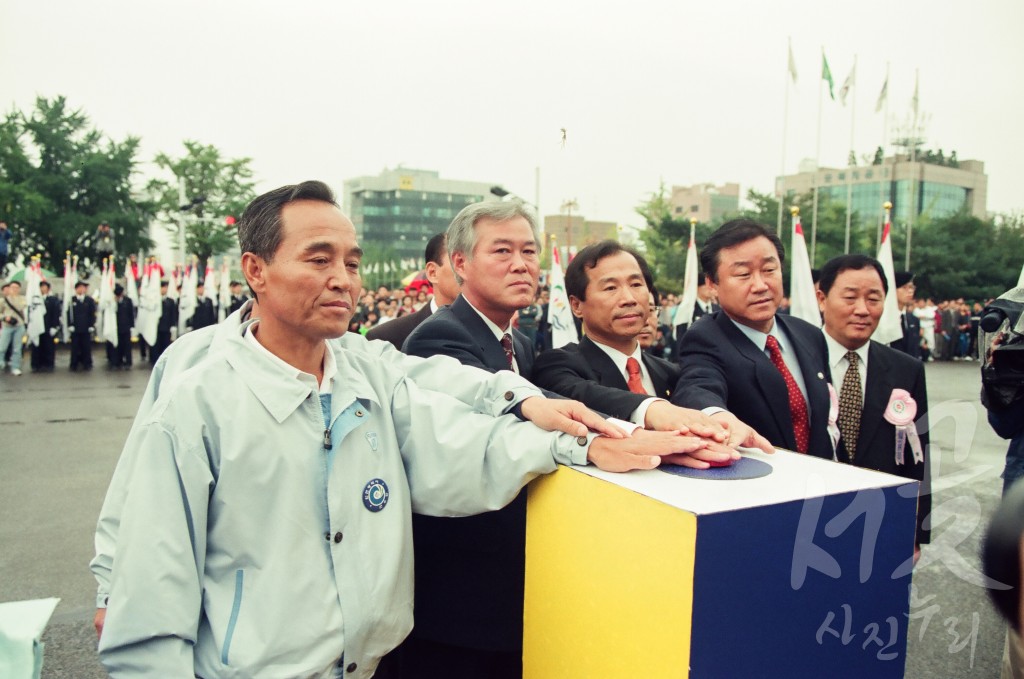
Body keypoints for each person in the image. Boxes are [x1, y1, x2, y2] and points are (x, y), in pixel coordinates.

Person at [97, 181, 687, 678]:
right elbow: (150, 575)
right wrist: (109, 592)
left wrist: (577, 441)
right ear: (256, 270)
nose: (344, 280)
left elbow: (459, 432)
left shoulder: (365, 371)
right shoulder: (198, 395)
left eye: (351, 263)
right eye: (319, 259)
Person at [402, 202, 710, 678]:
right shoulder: (440, 338)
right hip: (462, 596)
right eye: (502, 251)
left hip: (521, 578)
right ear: (459, 263)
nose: (522, 264)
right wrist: (629, 432)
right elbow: (518, 422)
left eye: (529, 251)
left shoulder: (521, 342)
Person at [533, 240, 768, 454]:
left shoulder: (670, 373)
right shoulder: (558, 365)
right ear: (576, 305)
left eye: (636, 284)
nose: (629, 298)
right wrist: (653, 410)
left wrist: (718, 419)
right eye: (610, 288)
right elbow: (580, 395)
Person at [672, 218, 834, 458]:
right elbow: (697, 386)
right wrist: (717, 416)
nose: (760, 285)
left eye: (769, 270)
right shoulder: (705, 338)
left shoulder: (809, 334)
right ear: (712, 284)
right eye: (743, 274)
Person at [817, 254, 931, 551]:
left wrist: (915, 531)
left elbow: (918, 456)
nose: (862, 310)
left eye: (874, 299)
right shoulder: (795, 361)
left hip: (880, 523)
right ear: (821, 298)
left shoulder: (907, 370)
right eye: (850, 297)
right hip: (808, 521)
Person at [366, 234, 457, 350]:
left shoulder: (486, 330)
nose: (468, 270)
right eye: (459, 262)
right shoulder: (386, 339)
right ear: (433, 272)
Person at [30, 280, 62, 372]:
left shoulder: (53, 300)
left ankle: (49, 364)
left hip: (49, 326)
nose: (43, 289)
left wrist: (55, 326)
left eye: (45, 287)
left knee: (49, 347)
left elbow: (56, 313)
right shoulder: (35, 299)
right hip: (37, 326)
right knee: (37, 346)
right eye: (41, 287)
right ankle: (36, 365)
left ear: (48, 289)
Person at [68, 280, 97, 371]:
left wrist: (91, 325)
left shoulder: (89, 300)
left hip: (86, 327)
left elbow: (92, 313)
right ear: (76, 289)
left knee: (86, 347)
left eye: (83, 287)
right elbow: (68, 313)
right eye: (79, 287)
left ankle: (87, 363)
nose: (82, 289)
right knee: (75, 347)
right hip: (75, 328)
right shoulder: (71, 300)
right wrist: (70, 324)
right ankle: (74, 364)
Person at [0, 280, 27, 375]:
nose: (14, 289)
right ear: (9, 288)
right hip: (7, 326)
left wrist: (14, 298)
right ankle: (1, 361)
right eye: (12, 287)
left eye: (16, 288)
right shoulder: (3, 300)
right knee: (2, 347)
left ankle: (15, 367)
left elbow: (21, 307)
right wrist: (4, 317)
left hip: (18, 325)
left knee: (17, 348)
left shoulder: (22, 298)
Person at [150, 280, 177, 366]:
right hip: (156, 327)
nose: (164, 289)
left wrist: (173, 325)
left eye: (166, 287)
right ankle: (155, 360)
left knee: (165, 345)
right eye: (163, 287)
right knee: (156, 345)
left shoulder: (170, 301)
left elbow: (173, 314)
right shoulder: (154, 300)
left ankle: (165, 361)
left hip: (166, 327)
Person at [110, 284, 134, 369]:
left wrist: (132, 325)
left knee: (127, 346)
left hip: (126, 326)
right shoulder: (113, 301)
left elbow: (131, 313)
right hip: (116, 327)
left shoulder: (128, 300)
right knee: (117, 345)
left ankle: (128, 362)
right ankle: (117, 362)